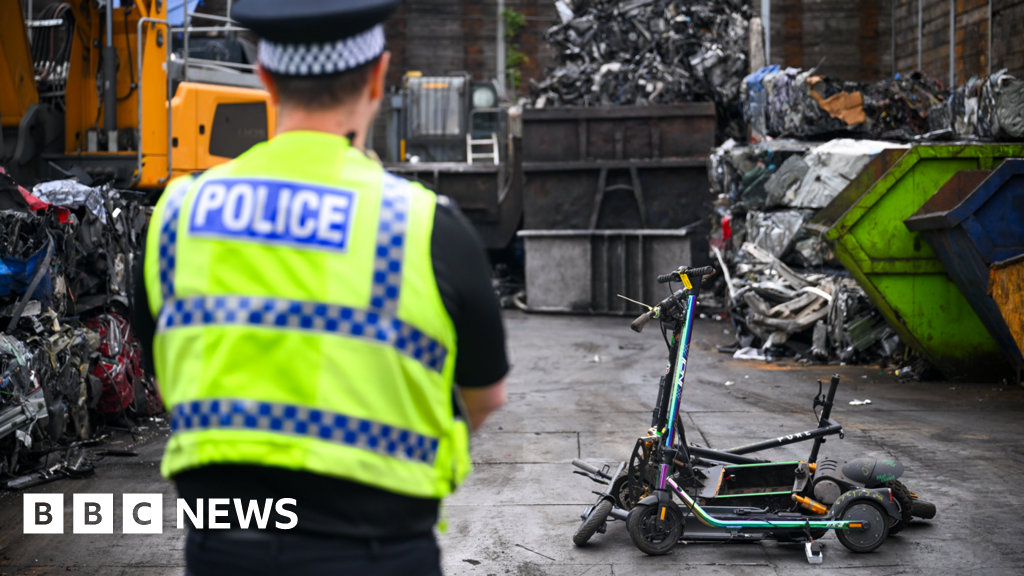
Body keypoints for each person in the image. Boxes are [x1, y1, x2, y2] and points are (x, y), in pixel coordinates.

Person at [131, 1, 508, 574]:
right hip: (382, 553)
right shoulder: (428, 227)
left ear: (265, 77)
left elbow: (168, 378)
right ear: (378, 76)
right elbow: (484, 397)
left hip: (223, 551)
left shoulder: (177, 216)